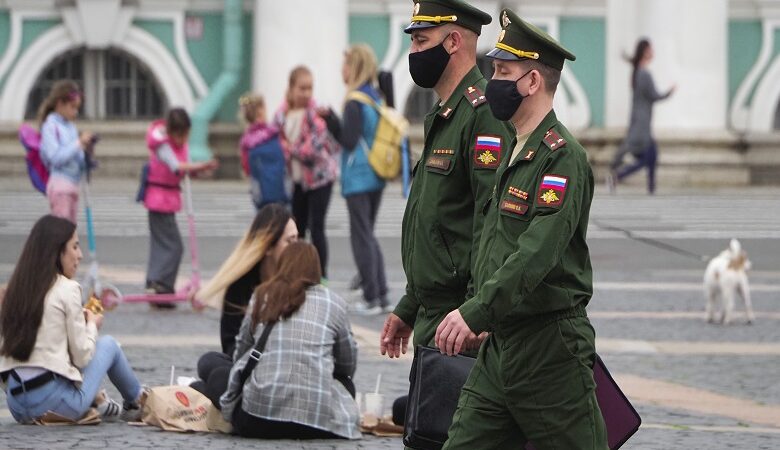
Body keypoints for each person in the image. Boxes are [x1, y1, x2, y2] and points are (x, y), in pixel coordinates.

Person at [433, 10, 607, 449]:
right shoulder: (512, 147)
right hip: (500, 345)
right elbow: (491, 242)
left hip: (550, 350)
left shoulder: (561, 158)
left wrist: (477, 311)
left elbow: (536, 252)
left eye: (503, 72)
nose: (493, 80)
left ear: (532, 82)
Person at [380, 0, 514, 356]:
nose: (413, 52)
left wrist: (473, 311)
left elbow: (491, 222)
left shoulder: (482, 114)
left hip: (457, 323)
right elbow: (441, 218)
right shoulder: (445, 113)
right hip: (434, 316)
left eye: (421, 42)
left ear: (453, 42)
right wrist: (410, 305)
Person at [0, 215, 145, 423]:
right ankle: (136, 402)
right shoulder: (68, 289)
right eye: (75, 247)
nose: (80, 255)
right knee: (109, 345)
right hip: (54, 404)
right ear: (58, 252)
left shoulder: (14, 290)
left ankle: (97, 401)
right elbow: (82, 356)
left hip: (17, 405)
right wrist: (92, 326)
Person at [214, 242, 359, 440]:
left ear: (282, 266)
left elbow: (241, 353)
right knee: (346, 386)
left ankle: (200, 392)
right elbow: (347, 366)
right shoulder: (335, 303)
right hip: (318, 424)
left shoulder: (262, 295)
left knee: (215, 371)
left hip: (259, 421)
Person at [320, 44, 390, 315]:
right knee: (368, 235)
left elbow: (348, 139)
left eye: (345, 64)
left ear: (355, 67)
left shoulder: (354, 101)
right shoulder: (375, 97)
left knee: (361, 236)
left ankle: (371, 296)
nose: (342, 70)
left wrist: (330, 121)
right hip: (376, 173)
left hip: (358, 175)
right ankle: (381, 294)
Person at [193, 203, 297, 357]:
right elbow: (230, 346)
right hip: (253, 365)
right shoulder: (240, 285)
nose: (296, 247)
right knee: (210, 362)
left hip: (291, 361)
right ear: (268, 247)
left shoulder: (298, 279)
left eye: (297, 238)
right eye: (289, 241)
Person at [142, 108, 217, 307]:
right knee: (173, 245)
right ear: (171, 131)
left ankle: (160, 283)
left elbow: (186, 168)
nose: (183, 139)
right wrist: (199, 166)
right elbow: (177, 166)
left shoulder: (178, 145)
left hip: (167, 200)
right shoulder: (163, 146)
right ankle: (158, 283)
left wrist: (200, 171)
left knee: (164, 244)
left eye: (186, 135)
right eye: (180, 135)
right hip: (159, 200)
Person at [273, 66, 339, 278]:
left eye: (309, 88)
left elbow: (313, 148)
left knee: (316, 227)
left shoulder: (315, 113)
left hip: (320, 178)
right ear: (291, 88)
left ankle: (322, 276)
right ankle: (298, 272)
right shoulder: (281, 114)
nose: (306, 93)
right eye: (301, 88)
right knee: (297, 228)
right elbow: (274, 139)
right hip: (298, 181)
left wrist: (289, 149)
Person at [608, 38, 675, 194]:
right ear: (645, 51)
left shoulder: (638, 71)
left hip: (640, 120)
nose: (653, 52)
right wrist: (669, 92)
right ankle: (617, 176)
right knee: (647, 157)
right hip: (642, 123)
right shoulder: (644, 73)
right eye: (651, 49)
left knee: (652, 155)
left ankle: (651, 189)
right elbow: (654, 95)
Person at [38, 80, 96, 224]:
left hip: (73, 185)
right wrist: (78, 143)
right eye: (72, 107)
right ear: (59, 104)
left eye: (78, 108)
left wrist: (87, 151)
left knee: (70, 234)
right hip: (60, 186)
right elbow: (55, 157)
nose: (75, 112)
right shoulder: (50, 126)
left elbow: (77, 157)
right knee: (61, 234)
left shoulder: (70, 126)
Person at [238, 93, 288, 209]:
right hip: (279, 187)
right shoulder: (273, 133)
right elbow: (285, 153)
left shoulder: (246, 141)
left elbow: (246, 167)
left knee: (262, 219)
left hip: (259, 191)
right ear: (261, 111)